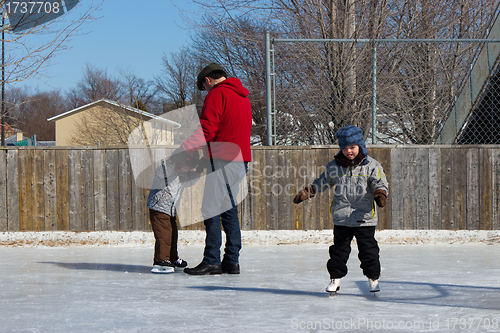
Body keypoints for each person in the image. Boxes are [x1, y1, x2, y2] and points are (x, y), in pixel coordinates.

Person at [171, 63, 252, 275]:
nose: (205, 92)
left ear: (208, 81)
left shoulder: (218, 94)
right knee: (229, 210)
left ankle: (212, 261)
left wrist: (184, 149)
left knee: (211, 209)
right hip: (240, 160)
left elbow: (207, 128)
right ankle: (231, 261)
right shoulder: (243, 97)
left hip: (223, 159)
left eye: (204, 88)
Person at [293, 125, 388, 294]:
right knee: (338, 252)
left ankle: (373, 278)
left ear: (360, 146)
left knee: (369, 251)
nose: (348, 151)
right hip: (342, 216)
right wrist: (309, 191)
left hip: (364, 217)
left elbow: (379, 182)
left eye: (352, 147)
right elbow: (322, 181)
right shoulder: (334, 166)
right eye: (344, 148)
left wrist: (380, 193)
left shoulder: (372, 165)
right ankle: (335, 279)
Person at [147, 156, 199, 274]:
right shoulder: (168, 170)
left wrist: (199, 170)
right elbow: (162, 169)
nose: (187, 170)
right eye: (186, 168)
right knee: (164, 235)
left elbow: (190, 180)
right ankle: (161, 260)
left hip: (170, 210)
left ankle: (172, 258)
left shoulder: (182, 174)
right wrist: (171, 161)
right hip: (159, 207)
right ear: (180, 164)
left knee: (173, 234)